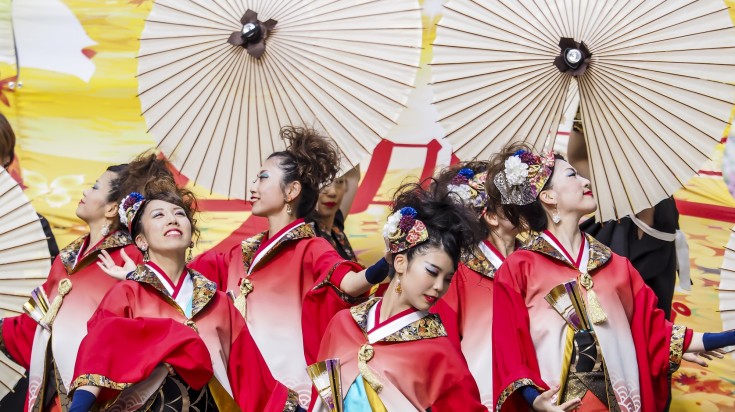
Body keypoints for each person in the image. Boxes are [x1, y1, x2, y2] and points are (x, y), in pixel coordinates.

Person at [491, 145, 735, 412]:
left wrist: (724, 337)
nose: (585, 180)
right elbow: (509, 348)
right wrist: (533, 398)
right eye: (572, 175)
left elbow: (654, 332)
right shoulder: (519, 268)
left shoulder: (617, 265)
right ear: (548, 196)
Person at [190, 126, 391, 407]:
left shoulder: (312, 249)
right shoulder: (239, 254)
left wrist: (387, 262)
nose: (253, 187)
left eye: (262, 178)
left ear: (291, 190)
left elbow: (349, 284)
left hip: (289, 395)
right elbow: (183, 278)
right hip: (240, 391)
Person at [69, 181, 299, 411]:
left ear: (190, 237)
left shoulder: (218, 303)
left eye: (179, 214)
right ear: (141, 241)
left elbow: (252, 377)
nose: (172, 219)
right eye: (158, 215)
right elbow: (98, 355)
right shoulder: (126, 294)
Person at [0, 153, 171, 411]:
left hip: (97, 398)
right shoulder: (66, 259)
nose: (85, 191)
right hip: (50, 396)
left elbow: (142, 334)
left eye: (94, 187)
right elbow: (33, 330)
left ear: (113, 208)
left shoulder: (131, 258)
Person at [310, 182, 486, 411]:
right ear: (401, 262)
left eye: (447, 279)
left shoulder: (440, 353)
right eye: (432, 272)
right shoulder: (343, 325)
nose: (438, 287)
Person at [567, 123, 684, 320]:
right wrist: (581, 119)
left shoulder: (649, 199)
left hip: (634, 319)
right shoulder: (619, 187)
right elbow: (578, 158)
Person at [430, 159, 520, 409]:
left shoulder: (534, 264)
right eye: (512, 196)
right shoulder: (458, 271)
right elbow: (444, 347)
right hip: (481, 394)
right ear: (490, 216)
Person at [310, 166, 360, 262]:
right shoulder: (305, 233)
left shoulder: (336, 226)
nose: (332, 192)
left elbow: (353, 177)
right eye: (323, 182)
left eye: (339, 182)